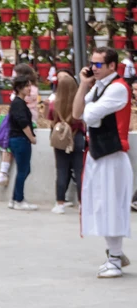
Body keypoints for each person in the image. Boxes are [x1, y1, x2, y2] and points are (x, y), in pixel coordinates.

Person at [74, 47, 133, 278]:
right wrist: (83, 85)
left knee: (111, 206)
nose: (93, 68)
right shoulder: (98, 87)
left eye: (98, 65)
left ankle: (115, 259)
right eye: (92, 63)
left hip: (112, 155)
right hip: (99, 154)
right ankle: (114, 254)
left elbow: (88, 116)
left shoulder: (118, 88)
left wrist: (90, 111)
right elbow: (78, 113)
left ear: (112, 66)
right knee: (101, 204)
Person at [49, 72, 86, 215]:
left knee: (61, 171)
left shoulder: (54, 104)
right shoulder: (80, 103)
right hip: (77, 137)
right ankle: (82, 203)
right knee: (80, 171)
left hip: (61, 139)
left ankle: (60, 203)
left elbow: (51, 121)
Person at [6, 75, 37, 211]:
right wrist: (31, 138)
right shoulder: (18, 103)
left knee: (23, 170)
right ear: (19, 88)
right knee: (23, 170)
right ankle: (19, 199)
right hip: (20, 139)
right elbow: (22, 122)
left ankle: (14, 198)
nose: (29, 88)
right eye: (26, 86)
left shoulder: (19, 102)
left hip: (18, 139)